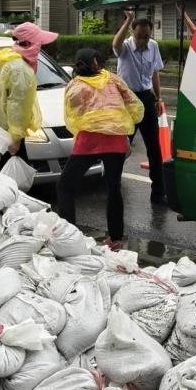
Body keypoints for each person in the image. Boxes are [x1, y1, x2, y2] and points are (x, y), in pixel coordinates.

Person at [57, 47, 143, 249]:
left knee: (65, 186)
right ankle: (115, 238)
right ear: (98, 63)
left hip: (89, 141)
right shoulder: (114, 80)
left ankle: (70, 236)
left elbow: (73, 115)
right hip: (115, 141)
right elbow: (134, 105)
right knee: (113, 188)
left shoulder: (76, 85)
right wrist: (122, 129)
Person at [112, 10, 167, 204]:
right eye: (139, 36)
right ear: (132, 33)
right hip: (127, 101)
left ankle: (158, 193)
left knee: (154, 147)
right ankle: (113, 188)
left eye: (146, 36)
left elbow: (154, 74)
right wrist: (128, 20)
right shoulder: (125, 47)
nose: (143, 40)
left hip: (146, 98)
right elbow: (115, 45)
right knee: (121, 147)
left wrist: (158, 98)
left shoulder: (153, 46)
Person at [0, 21, 58, 162]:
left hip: (1, 132)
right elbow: (17, 105)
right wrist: (16, 138)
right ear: (30, 43)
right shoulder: (21, 70)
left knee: (4, 177)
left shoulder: (4, 59)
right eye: (39, 42)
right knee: (13, 179)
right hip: (10, 135)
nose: (40, 47)